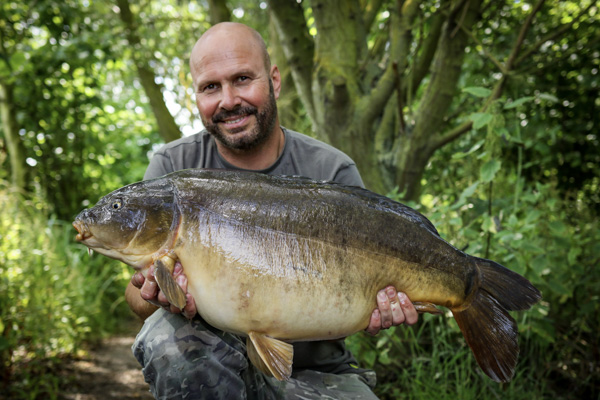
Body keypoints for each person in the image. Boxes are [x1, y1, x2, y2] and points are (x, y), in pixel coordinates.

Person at [125, 22, 418, 399]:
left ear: (274, 81)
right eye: (211, 87)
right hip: (211, 363)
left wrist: (381, 305)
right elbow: (135, 301)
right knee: (165, 334)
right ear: (196, 95)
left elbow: (354, 301)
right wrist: (152, 292)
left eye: (242, 79)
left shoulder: (331, 171)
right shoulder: (173, 170)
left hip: (316, 369)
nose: (229, 100)